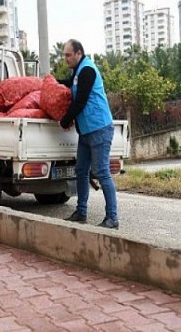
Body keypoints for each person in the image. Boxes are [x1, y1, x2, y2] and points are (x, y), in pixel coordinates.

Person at [58, 39, 119, 230]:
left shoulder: (87, 70)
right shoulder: (78, 71)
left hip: (99, 128)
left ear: (79, 53)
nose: (65, 58)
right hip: (86, 130)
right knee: (81, 170)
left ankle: (112, 218)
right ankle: (81, 212)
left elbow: (80, 101)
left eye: (68, 55)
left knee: (101, 172)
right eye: (64, 55)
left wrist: (65, 120)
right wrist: (52, 82)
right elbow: (70, 84)